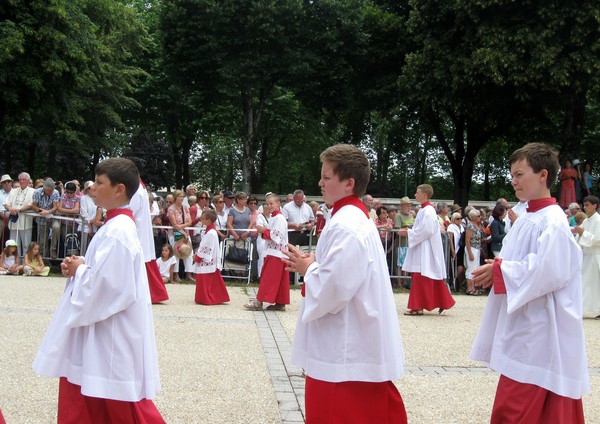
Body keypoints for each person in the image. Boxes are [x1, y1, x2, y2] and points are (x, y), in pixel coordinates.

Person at [32, 157, 164, 423]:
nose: (92, 188)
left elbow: (110, 288)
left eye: (100, 183)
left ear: (119, 190)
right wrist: (81, 266)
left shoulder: (119, 232)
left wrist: (79, 270)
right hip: (103, 331)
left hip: (111, 334)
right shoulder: (115, 226)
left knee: (118, 408)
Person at [285, 144, 407, 423]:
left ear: (348, 183)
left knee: (339, 411)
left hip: (344, 344)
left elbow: (334, 289)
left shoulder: (345, 224)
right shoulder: (350, 217)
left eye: (327, 177)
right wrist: (318, 259)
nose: (320, 183)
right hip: (354, 335)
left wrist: (309, 267)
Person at [470, 142, 589, 423]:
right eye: (512, 174)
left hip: (542, 325)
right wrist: (499, 269)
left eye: (520, 174)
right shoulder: (526, 216)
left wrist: (501, 271)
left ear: (543, 175)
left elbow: (551, 270)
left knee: (519, 405)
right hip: (525, 319)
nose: (513, 180)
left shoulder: (553, 221)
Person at [401, 184, 456, 315]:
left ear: (424, 195)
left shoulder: (428, 211)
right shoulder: (425, 210)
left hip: (425, 248)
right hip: (424, 246)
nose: (415, 195)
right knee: (426, 275)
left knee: (421, 276)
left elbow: (426, 230)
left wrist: (409, 233)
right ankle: (442, 301)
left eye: (417, 192)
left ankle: (417, 306)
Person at [244, 193, 289, 311]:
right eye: (267, 204)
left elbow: (277, 236)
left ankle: (259, 302)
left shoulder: (279, 218)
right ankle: (280, 302)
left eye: (271, 203)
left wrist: (264, 230)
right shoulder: (274, 217)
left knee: (267, 278)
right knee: (278, 279)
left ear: (278, 203)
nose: (269, 206)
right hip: (274, 251)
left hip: (276, 253)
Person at [131, 179, 169, 303]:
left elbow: (131, 209)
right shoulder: (140, 188)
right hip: (142, 229)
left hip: (138, 230)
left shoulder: (135, 189)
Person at [193, 209, 230, 305]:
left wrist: (197, 257)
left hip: (207, 260)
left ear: (209, 220)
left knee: (206, 281)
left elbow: (206, 248)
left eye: (203, 218)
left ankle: (206, 298)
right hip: (211, 259)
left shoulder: (210, 233)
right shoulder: (212, 231)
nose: (201, 219)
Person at [572, 195, 600, 319]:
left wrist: (583, 233)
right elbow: (580, 237)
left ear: (595, 206)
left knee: (594, 285)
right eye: (584, 205)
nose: (585, 207)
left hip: (595, 256)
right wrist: (578, 232)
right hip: (586, 256)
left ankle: (597, 309)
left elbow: (597, 239)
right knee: (584, 283)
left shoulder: (598, 220)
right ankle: (584, 308)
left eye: (587, 205)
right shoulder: (586, 220)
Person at [3, 172, 35, 257]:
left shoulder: (33, 191)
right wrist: (10, 209)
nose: (21, 181)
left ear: (28, 181)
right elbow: (6, 203)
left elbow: (31, 204)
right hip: (14, 221)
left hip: (25, 221)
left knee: (26, 244)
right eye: (20, 179)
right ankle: (14, 262)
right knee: (13, 244)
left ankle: (25, 263)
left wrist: (20, 210)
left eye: (23, 179)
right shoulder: (13, 191)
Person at [168, 189, 194, 281]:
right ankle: (176, 274)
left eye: (183, 196)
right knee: (176, 253)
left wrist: (182, 227)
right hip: (175, 234)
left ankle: (189, 273)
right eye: (180, 196)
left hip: (185, 233)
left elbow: (190, 222)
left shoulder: (185, 207)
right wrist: (182, 230)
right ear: (175, 197)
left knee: (189, 252)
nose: (181, 198)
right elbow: (174, 225)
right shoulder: (171, 209)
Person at [31, 178, 60, 257]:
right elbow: (33, 206)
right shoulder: (37, 192)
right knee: (42, 241)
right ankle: (43, 258)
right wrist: (41, 211)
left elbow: (55, 207)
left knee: (56, 227)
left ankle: (53, 249)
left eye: (52, 190)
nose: (51, 192)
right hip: (41, 219)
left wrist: (48, 212)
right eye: (50, 190)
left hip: (52, 217)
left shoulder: (56, 192)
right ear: (45, 188)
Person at [464, 208, 485, 295]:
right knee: (471, 268)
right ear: (473, 217)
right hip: (471, 248)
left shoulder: (478, 225)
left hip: (477, 248)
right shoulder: (470, 226)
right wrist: (470, 253)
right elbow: (467, 240)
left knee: (475, 268)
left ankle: (473, 287)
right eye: (478, 216)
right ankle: (470, 288)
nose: (480, 217)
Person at [0, 174, 13, 244]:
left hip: (14, 218)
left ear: (11, 182)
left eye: (8, 181)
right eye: (4, 182)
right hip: (1, 218)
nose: (7, 183)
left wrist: (10, 220)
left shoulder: (16, 192)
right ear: (1, 184)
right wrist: (6, 220)